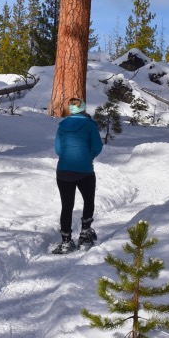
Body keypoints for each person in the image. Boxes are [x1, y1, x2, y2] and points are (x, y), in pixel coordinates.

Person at [53, 96, 103, 254]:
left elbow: (58, 150)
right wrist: (88, 157)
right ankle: (85, 234)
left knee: (66, 206)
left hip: (63, 171)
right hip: (84, 170)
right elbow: (97, 146)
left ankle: (66, 241)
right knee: (88, 201)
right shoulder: (89, 125)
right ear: (83, 108)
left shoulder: (62, 125)